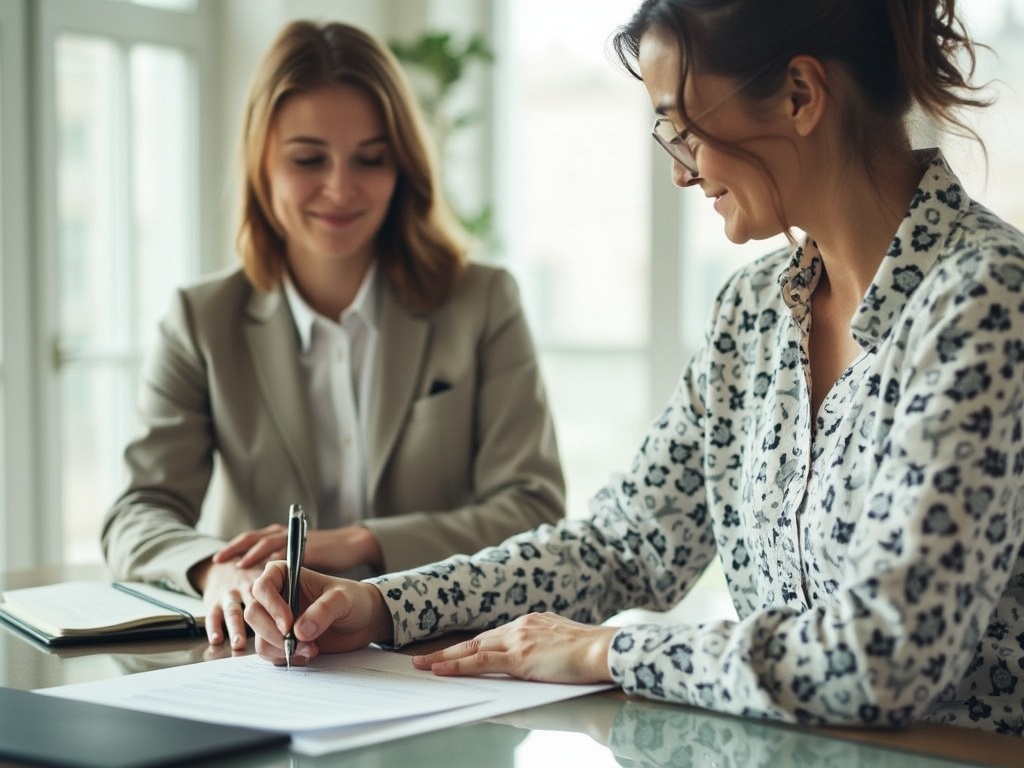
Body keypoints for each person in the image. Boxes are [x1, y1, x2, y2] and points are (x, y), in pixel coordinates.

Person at [245, 0, 1024, 734]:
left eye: (684, 130)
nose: (681, 172)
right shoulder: (750, 313)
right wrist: (379, 605)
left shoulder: (987, 301)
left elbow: (885, 657)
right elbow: (625, 544)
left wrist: (602, 651)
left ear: (798, 94)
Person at [101, 20, 564, 651]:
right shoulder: (201, 318)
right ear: (262, 162)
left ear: (402, 165)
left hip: (439, 651)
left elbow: (533, 509)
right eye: (308, 159)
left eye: (370, 159)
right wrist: (217, 570)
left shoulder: (482, 302)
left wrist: (362, 541)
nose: (341, 189)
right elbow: (136, 513)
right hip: (265, 660)